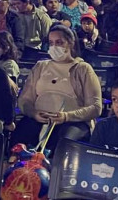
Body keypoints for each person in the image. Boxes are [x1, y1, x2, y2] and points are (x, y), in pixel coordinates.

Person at [13, 24, 102, 152]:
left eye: (59, 42)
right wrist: (34, 113)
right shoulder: (40, 66)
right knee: (20, 137)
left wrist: (66, 116)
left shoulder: (83, 69)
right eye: (51, 43)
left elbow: (95, 107)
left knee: (63, 144)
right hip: (39, 118)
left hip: (71, 121)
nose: (54, 47)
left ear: (70, 43)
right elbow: (24, 100)